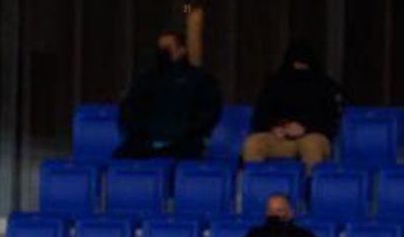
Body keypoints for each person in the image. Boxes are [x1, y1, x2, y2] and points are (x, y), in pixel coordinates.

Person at [115, 29, 223, 160]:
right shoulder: (145, 79)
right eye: (160, 48)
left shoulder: (201, 80)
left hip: (184, 144)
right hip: (145, 143)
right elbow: (130, 110)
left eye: (168, 48)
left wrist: (185, 132)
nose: (163, 53)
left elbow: (208, 113)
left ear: (182, 50)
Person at [242, 40, 344, 170]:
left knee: (311, 145)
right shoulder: (275, 84)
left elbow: (331, 119)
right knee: (253, 143)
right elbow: (261, 114)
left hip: (313, 135)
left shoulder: (326, 86)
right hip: (280, 138)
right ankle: (256, 186)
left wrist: (306, 128)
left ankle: (311, 187)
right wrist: (273, 128)